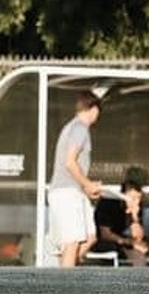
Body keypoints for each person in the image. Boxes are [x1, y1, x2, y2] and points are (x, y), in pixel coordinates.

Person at [48, 90, 102, 267]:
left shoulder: (74, 127)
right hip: (67, 191)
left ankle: (66, 276)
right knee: (72, 242)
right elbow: (70, 162)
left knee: (90, 236)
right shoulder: (79, 128)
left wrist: (87, 187)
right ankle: (66, 285)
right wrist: (88, 184)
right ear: (93, 109)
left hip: (75, 192)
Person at [90, 178, 149, 266]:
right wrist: (128, 242)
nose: (136, 201)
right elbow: (105, 234)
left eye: (138, 198)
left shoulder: (136, 207)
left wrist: (134, 217)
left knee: (140, 256)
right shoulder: (108, 204)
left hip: (124, 240)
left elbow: (138, 237)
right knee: (113, 250)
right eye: (133, 198)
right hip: (102, 241)